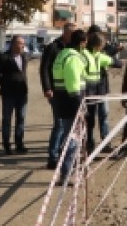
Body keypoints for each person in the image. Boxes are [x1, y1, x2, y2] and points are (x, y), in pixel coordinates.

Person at [54, 29, 90, 184]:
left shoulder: (62, 54)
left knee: (68, 136)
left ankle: (67, 171)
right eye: (85, 43)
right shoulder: (73, 58)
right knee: (72, 139)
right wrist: (80, 108)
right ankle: (67, 174)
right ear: (81, 43)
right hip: (71, 102)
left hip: (62, 100)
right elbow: (73, 85)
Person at [39, 23, 74, 170]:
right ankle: (53, 157)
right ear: (65, 33)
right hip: (55, 91)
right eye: (72, 33)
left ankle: (62, 153)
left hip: (69, 91)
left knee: (67, 125)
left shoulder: (72, 48)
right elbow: (44, 69)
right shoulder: (53, 47)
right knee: (59, 124)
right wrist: (47, 88)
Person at [0, 35, 29, 155]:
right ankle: (7, 145)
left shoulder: (24, 56)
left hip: (22, 92)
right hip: (8, 93)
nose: (22, 46)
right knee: (7, 119)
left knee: (21, 118)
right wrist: (5, 83)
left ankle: (19, 144)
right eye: (20, 43)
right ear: (13, 44)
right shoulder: (4, 57)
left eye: (23, 43)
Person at [83, 26, 113, 153]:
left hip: (102, 88)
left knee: (104, 116)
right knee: (90, 118)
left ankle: (105, 142)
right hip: (90, 91)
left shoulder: (102, 51)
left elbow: (112, 60)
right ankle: (89, 143)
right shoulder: (85, 52)